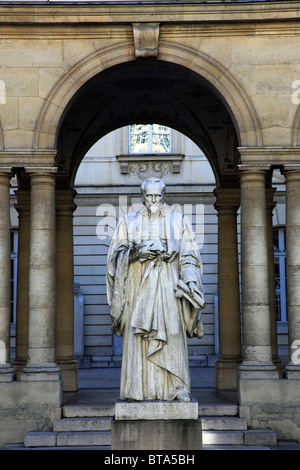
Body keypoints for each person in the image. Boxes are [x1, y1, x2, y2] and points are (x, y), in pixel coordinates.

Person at [106, 177, 205, 402]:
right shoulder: (127, 222)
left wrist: (190, 279)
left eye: (157, 196)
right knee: (139, 338)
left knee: (172, 333)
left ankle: (177, 387)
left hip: (169, 286)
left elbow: (189, 255)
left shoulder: (178, 221)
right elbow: (114, 259)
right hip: (138, 288)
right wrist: (136, 253)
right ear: (142, 196)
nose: (153, 200)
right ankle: (139, 390)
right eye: (149, 196)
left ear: (164, 195)